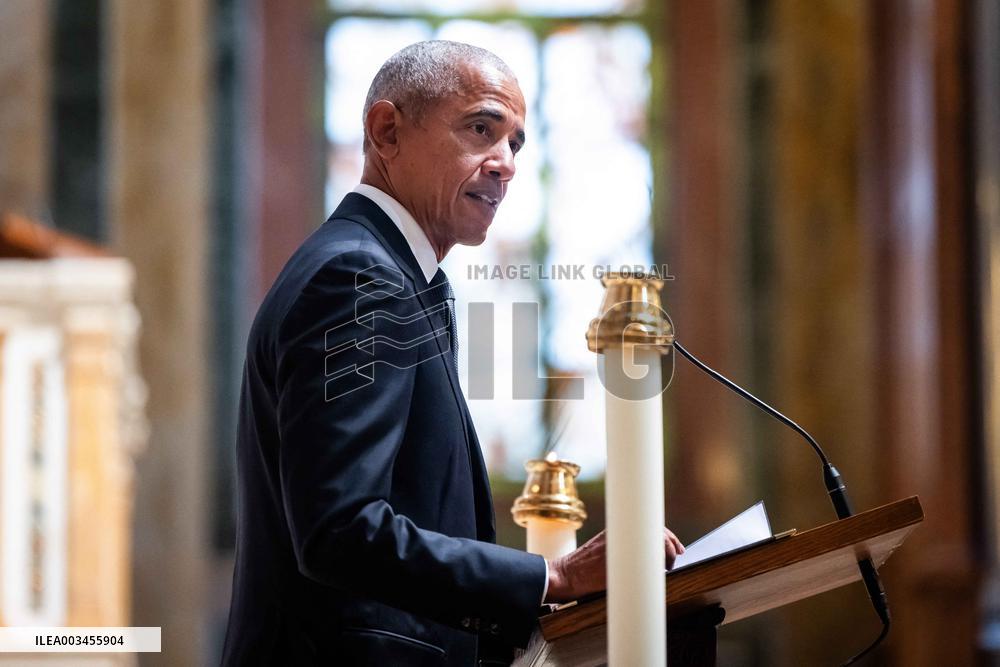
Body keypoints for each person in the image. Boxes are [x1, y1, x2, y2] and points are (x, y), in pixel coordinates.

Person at [221, 40, 684, 666]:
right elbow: (341, 530)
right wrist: (552, 577)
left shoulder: (386, 274)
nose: (506, 164)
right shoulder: (358, 278)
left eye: (515, 143)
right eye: (480, 128)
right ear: (387, 131)